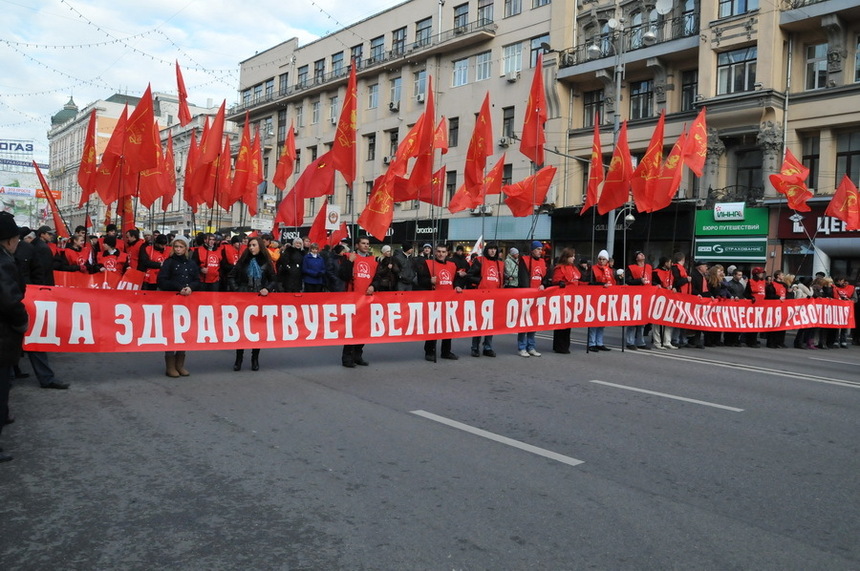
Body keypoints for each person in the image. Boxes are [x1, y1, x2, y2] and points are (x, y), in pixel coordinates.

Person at [0, 212, 28, 462]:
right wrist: (22, 322)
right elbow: (10, 301)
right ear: (9, 240)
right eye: (17, 239)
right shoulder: (4, 262)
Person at [229, 237, 277, 371]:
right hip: (244, 298)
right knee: (242, 329)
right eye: (250, 245)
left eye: (254, 245)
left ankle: (255, 359)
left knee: (257, 331)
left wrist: (267, 289)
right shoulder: (243, 261)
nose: (251, 248)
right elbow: (231, 276)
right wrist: (237, 289)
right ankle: (238, 359)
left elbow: (273, 280)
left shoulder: (266, 263)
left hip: (259, 299)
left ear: (260, 246)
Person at [157, 236, 200, 377]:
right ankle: (170, 365)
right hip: (171, 301)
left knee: (184, 331)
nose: (178, 249)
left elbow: (197, 280)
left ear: (186, 248)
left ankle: (180, 364)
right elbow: (161, 281)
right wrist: (178, 287)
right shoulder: (169, 262)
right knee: (171, 332)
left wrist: (191, 287)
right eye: (176, 247)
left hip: (187, 302)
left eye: (181, 247)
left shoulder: (191, 263)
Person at [417, 243, 464, 361]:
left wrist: (458, 285)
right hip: (434, 301)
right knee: (433, 327)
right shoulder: (428, 264)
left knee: (448, 327)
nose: (440, 254)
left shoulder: (452, 265)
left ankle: (446, 351)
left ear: (447, 253)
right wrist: (429, 281)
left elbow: (456, 279)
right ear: (435, 252)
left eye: (443, 252)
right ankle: (429, 351)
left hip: (449, 301)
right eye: (438, 251)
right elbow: (420, 280)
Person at [338, 237, 379, 367]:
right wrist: (349, 262)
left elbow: (377, 277)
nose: (366, 246)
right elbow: (343, 275)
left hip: (366, 299)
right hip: (352, 299)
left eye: (367, 244)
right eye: (363, 243)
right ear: (357, 245)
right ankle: (347, 357)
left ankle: (357, 355)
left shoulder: (372, 261)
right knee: (351, 329)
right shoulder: (349, 257)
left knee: (363, 328)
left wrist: (373, 286)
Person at [467, 242, 504, 357]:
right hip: (481, 297)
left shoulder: (499, 263)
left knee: (490, 323)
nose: (493, 251)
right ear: (486, 250)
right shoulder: (480, 261)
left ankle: (488, 347)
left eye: (494, 249)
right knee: (479, 323)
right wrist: (481, 281)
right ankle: (475, 347)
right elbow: (470, 275)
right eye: (490, 249)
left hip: (494, 297)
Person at [517, 240, 549, 357]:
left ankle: (531, 346)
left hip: (538, 296)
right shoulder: (525, 260)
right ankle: (521, 347)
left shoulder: (542, 262)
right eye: (538, 249)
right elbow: (523, 278)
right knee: (524, 322)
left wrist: (543, 284)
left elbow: (545, 277)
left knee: (533, 322)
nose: (540, 251)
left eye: (541, 249)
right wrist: (528, 292)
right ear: (532, 250)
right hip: (527, 296)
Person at [551, 247, 581, 354]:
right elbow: (555, 281)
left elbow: (577, 282)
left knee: (568, 324)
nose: (573, 258)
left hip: (572, 299)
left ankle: (565, 345)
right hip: (563, 299)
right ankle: (560, 346)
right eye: (572, 256)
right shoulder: (560, 268)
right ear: (566, 257)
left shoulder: (574, 268)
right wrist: (560, 283)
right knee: (561, 323)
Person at [624, 251, 652, 350]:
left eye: (642, 253)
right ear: (636, 258)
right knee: (633, 321)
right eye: (639, 254)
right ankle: (630, 341)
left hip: (646, 296)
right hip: (635, 296)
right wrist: (639, 281)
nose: (642, 254)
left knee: (642, 321)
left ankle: (640, 341)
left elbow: (651, 280)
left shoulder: (649, 267)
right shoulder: (631, 268)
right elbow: (627, 281)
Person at [587, 250, 614, 352]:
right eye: (600, 259)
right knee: (594, 322)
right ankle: (591, 343)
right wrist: (601, 285)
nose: (601, 261)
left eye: (603, 259)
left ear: (607, 261)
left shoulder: (610, 270)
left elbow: (613, 282)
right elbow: (590, 283)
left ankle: (599, 342)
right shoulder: (593, 269)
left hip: (606, 298)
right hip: (595, 298)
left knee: (602, 322)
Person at [651, 256, 676, 349]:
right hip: (659, 299)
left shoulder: (671, 272)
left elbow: (674, 283)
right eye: (669, 262)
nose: (671, 264)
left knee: (668, 320)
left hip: (669, 298)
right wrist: (657, 285)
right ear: (665, 263)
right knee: (657, 321)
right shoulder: (656, 272)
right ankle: (657, 341)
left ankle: (667, 341)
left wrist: (674, 287)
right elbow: (652, 282)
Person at [670, 252, 692, 348]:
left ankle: (682, 339)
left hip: (684, 296)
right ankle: (675, 339)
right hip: (679, 295)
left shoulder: (681, 268)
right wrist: (686, 280)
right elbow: (676, 282)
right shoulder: (676, 268)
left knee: (683, 319)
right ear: (683, 259)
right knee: (678, 318)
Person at [764, 270, 790, 348]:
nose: (783, 276)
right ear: (778, 276)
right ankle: (771, 342)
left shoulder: (784, 285)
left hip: (783, 307)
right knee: (773, 325)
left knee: (782, 325)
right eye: (782, 275)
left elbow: (787, 295)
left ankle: (780, 342)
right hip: (774, 308)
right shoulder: (771, 285)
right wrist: (778, 297)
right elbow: (769, 296)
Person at [687, 260, 710, 349]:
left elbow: (706, 289)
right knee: (695, 321)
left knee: (700, 321)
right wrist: (697, 294)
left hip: (702, 301)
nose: (706, 268)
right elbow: (692, 288)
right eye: (705, 266)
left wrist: (710, 295)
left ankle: (696, 339)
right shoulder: (694, 275)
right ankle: (692, 339)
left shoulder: (703, 276)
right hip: (696, 301)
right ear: (700, 267)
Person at [744, 267, 767, 348]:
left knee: (758, 324)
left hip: (761, 305)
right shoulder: (750, 282)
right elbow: (746, 293)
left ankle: (754, 340)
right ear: (756, 274)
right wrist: (751, 297)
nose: (762, 275)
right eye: (760, 273)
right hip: (753, 306)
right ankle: (750, 341)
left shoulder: (763, 282)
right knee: (753, 324)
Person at [723, 268, 746, 347]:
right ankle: (728, 340)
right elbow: (727, 294)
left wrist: (744, 299)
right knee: (730, 323)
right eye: (739, 275)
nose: (740, 277)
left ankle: (736, 339)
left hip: (739, 307)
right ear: (734, 275)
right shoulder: (729, 284)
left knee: (737, 324)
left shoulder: (740, 285)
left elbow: (742, 294)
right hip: (731, 307)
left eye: (741, 275)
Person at [831, 276, 856, 348]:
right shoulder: (835, 287)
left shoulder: (851, 288)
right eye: (842, 282)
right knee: (836, 325)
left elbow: (855, 298)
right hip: (837, 308)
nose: (844, 284)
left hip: (847, 309)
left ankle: (843, 341)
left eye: (845, 282)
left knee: (845, 325)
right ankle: (836, 340)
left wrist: (850, 300)